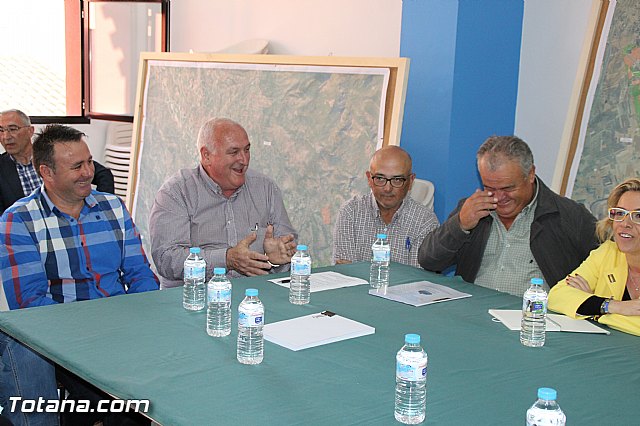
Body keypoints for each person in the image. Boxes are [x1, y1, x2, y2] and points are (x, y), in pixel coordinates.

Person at [0, 124, 159, 426]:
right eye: (76, 166)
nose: (88, 172)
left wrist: (140, 318)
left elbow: (140, 274)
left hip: (122, 329)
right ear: (46, 172)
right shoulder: (19, 220)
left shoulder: (112, 207)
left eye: (89, 162)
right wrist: (92, 332)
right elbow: (31, 303)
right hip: (63, 340)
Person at [418, 135, 599, 296]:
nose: (498, 197)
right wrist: (459, 225)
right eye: (489, 188)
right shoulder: (472, 209)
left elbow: (608, 266)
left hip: (533, 318)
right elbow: (429, 261)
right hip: (473, 312)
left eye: (508, 188)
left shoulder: (568, 216)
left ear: (530, 174)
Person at [149, 117, 298, 287]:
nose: (244, 160)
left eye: (247, 150)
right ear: (206, 156)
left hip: (255, 296)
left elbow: (287, 250)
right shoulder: (176, 192)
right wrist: (227, 259)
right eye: (234, 152)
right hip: (194, 297)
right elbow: (166, 259)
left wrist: (274, 261)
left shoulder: (266, 188)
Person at [549, 178, 640, 336]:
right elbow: (556, 296)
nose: (625, 223)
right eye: (620, 213)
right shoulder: (607, 253)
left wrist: (594, 310)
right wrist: (611, 306)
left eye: (638, 216)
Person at [333, 145, 439, 267]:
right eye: (380, 178)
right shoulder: (351, 212)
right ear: (369, 179)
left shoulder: (425, 221)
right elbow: (345, 271)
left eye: (397, 180)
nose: (387, 188)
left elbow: (417, 276)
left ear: (410, 181)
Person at [0, 109, 115, 215]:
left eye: (13, 129)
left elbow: (103, 175)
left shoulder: (51, 154)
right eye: (1, 130)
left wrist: (97, 206)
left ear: (30, 131)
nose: (6, 137)